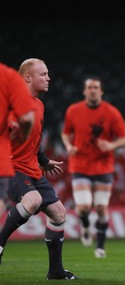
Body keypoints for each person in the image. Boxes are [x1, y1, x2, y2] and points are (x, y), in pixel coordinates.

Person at [0, 58, 77, 280]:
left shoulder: (38, 105)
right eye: (43, 74)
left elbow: (35, 140)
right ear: (27, 77)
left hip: (32, 169)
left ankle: (55, 272)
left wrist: (43, 161)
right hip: (11, 167)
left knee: (59, 213)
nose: (48, 78)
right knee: (32, 201)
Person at [61, 76, 125, 258]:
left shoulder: (111, 112)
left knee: (100, 207)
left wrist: (111, 146)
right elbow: (66, 133)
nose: (92, 90)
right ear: (85, 91)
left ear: (101, 91)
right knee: (83, 207)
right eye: (89, 87)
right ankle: (84, 224)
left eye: (96, 87)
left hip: (103, 165)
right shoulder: (73, 111)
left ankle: (100, 247)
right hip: (80, 164)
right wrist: (68, 147)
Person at [0, 63, 35, 220]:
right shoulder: (8, 76)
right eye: (44, 74)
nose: (48, 78)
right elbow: (27, 118)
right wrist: (23, 136)